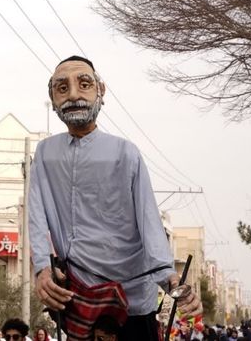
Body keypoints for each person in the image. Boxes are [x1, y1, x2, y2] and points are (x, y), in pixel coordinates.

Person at [29, 56, 202, 341]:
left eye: (83, 84)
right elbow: (36, 219)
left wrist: (171, 280)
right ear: (52, 97)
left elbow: (149, 225)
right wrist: (42, 271)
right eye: (62, 88)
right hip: (78, 301)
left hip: (130, 302)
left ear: (101, 91)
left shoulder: (126, 153)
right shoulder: (45, 154)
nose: (73, 94)